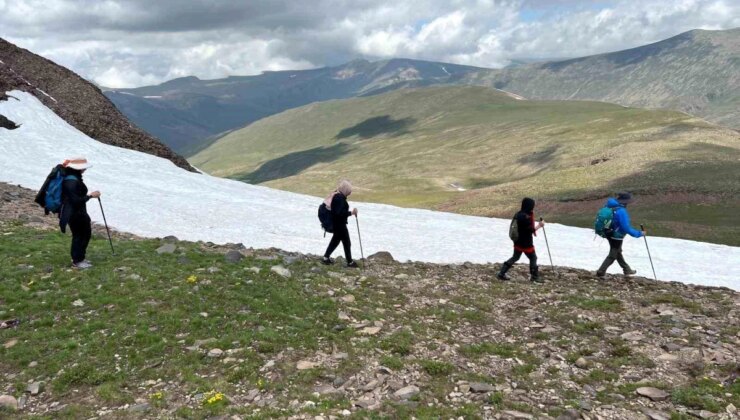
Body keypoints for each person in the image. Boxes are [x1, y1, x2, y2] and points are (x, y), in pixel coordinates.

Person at [59, 158, 101, 269]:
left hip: (76, 212)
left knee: (83, 234)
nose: (85, 169)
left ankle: (79, 258)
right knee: (80, 235)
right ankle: (77, 261)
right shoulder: (72, 181)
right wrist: (91, 196)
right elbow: (75, 201)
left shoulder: (72, 178)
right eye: (84, 167)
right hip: (75, 213)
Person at [497, 197, 545, 283]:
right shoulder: (526, 217)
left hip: (517, 241)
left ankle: (501, 273)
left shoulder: (519, 214)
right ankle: (534, 277)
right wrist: (540, 225)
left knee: (515, 257)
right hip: (526, 243)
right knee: (533, 257)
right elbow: (531, 230)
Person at [596, 192, 643, 278]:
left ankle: (627, 269)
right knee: (613, 255)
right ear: (625, 201)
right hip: (617, 235)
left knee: (617, 251)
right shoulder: (621, 211)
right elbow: (626, 228)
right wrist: (639, 233)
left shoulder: (610, 206)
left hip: (608, 233)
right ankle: (601, 272)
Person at [322, 180, 359, 268]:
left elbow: (337, 212)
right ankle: (350, 262)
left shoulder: (337, 196)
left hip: (337, 224)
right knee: (347, 242)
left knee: (335, 241)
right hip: (340, 225)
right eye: (349, 191)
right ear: (345, 189)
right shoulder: (339, 198)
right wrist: (351, 213)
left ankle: (325, 258)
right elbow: (339, 213)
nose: (349, 193)